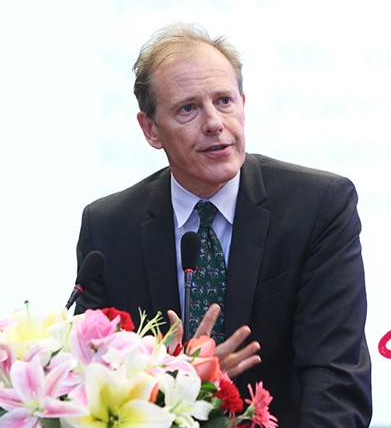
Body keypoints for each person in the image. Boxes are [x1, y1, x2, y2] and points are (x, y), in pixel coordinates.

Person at [75, 22, 372, 427]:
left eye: (224, 101)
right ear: (150, 129)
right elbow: (92, 380)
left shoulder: (318, 207)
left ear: (243, 104)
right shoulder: (108, 229)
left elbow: (336, 379)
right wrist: (183, 377)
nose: (214, 122)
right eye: (188, 108)